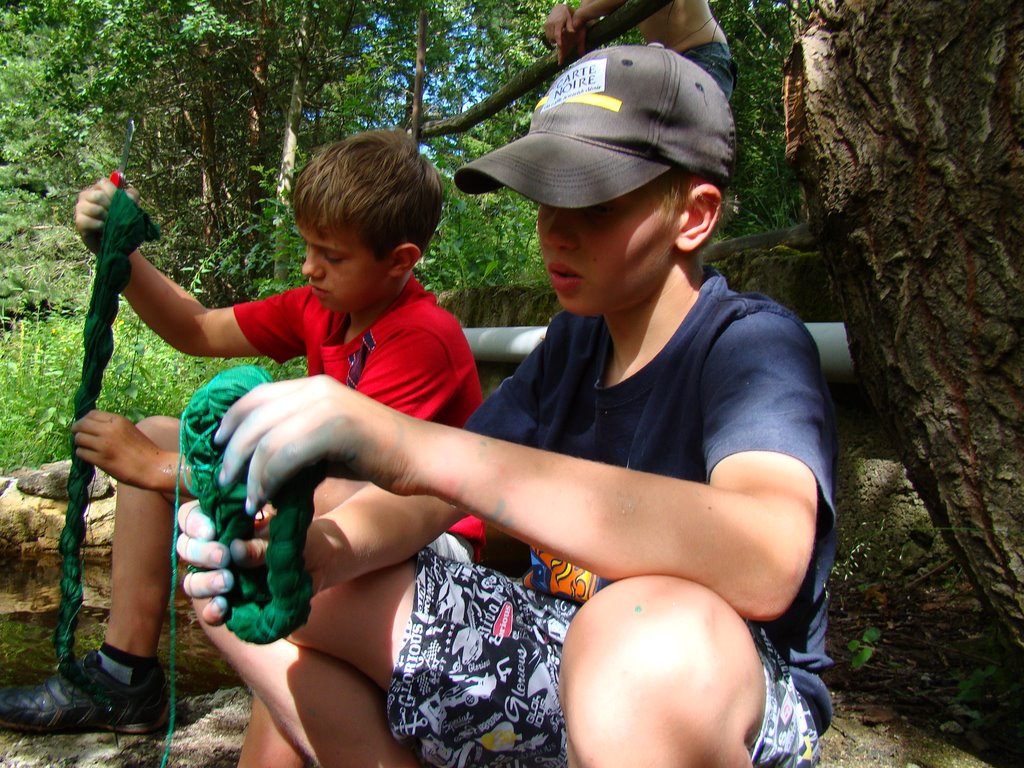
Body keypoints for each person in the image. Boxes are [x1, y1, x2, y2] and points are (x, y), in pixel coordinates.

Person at [179, 45, 837, 767]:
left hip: (707, 683)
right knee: (262, 597)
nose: (556, 228)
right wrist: (322, 554)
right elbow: (430, 503)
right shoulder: (572, 345)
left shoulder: (751, 346)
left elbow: (766, 559)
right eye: (546, 196)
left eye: (595, 202)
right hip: (564, 656)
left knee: (640, 634)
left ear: (694, 215)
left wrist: (410, 444)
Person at [0, 130, 486, 759]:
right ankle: (126, 674)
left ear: (400, 260)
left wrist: (159, 469)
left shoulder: (421, 338)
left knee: (262, 576)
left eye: (331, 256)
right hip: (338, 511)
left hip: (424, 540)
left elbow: (359, 497)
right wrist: (120, 254)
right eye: (307, 246)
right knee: (160, 432)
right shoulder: (322, 308)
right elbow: (197, 328)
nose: (309, 268)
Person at [545, 0, 737, 99]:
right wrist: (564, 12)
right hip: (661, 68)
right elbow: (586, 21)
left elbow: (585, 14)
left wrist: (581, 15)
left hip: (703, 55)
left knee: (685, 142)